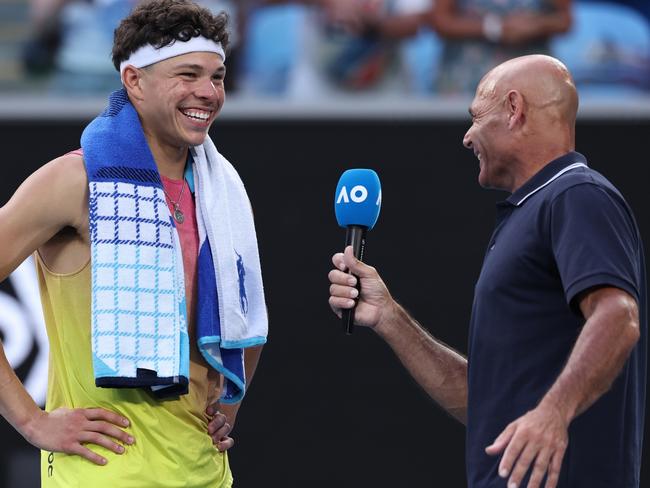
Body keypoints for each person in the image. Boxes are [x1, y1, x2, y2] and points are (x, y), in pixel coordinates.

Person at [328, 54, 646, 488]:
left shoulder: (577, 194)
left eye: (476, 117)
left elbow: (619, 317)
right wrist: (389, 316)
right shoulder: (530, 212)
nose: (466, 137)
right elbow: (482, 404)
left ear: (514, 109)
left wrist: (552, 414)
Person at [0, 0, 267, 486]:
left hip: (207, 471)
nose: (208, 93)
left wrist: (231, 402)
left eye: (218, 77)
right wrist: (31, 420)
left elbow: (246, 317)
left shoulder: (221, 194)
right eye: (188, 74)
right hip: (104, 474)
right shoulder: (72, 180)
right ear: (134, 80)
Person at [430, 0, 572, 95]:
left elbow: (565, 20)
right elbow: (440, 20)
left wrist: (536, 25)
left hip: (531, 82)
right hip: (467, 81)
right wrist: (494, 28)